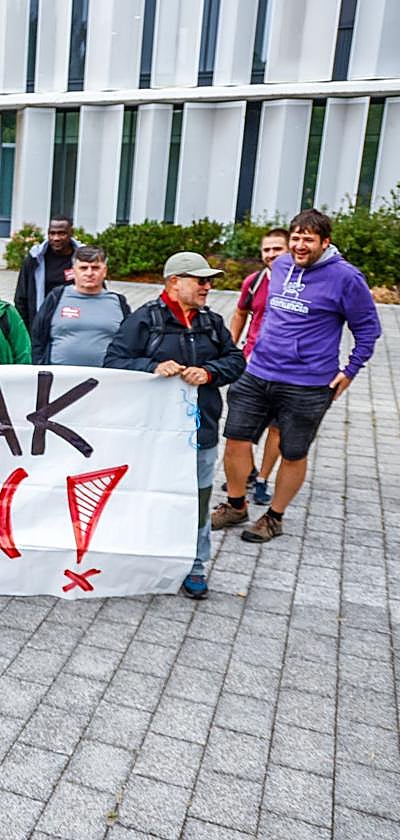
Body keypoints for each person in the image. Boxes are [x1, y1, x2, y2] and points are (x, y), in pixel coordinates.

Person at [212, 209, 381, 543]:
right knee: (235, 439)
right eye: (296, 238)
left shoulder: (347, 278)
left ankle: (274, 517)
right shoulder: (282, 266)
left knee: (293, 451)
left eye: (309, 239)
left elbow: (368, 329)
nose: (301, 245)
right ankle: (236, 505)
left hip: (308, 383)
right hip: (257, 372)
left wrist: (349, 372)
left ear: (325, 242)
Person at [104, 252, 245, 599]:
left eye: (209, 281)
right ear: (174, 282)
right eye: (200, 280)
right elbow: (114, 362)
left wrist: (210, 372)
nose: (208, 287)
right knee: (150, 496)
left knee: (197, 500)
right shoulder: (144, 320)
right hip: (154, 434)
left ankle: (196, 566)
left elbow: (235, 360)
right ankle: (145, 561)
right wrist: (151, 367)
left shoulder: (211, 322)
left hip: (202, 430)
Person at [225, 228, 289, 505]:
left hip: (287, 369)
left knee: (277, 429)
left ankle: (262, 479)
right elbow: (241, 313)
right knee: (242, 428)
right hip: (251, 364)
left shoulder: (301, 283)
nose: (271, 254)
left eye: (277, 248)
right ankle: (246, 472)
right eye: (267, 250)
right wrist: (230, 348)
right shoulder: (254, 281)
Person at [30, 245, 130, 366]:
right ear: (73, 271)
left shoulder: (118, 302)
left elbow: (129, 343)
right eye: (83, 268)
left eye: (95, 268)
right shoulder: (56, 297)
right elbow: (37, 339)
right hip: (59, 378)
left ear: (104, 271)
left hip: (106, 379)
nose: (89, 273)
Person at [13, 215, 81, 329]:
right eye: (52, 233)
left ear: (71, 233)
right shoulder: (35, 258)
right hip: (43, 324)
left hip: (75, 324)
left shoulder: (83, 259)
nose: (56, 238)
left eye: (61, 233)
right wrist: (27, 329)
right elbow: (21, 297)